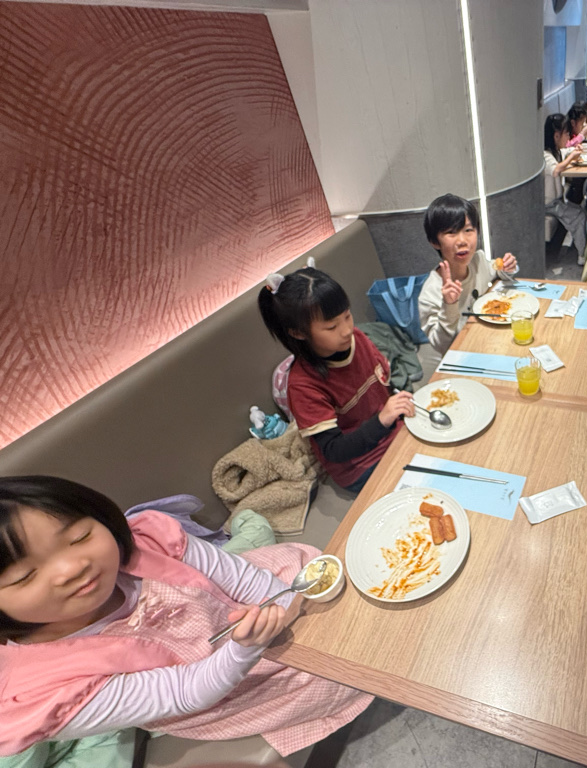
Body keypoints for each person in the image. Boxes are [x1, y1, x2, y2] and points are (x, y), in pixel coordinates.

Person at [0, 476, 373, 756]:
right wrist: (246, 648)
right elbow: (185, 692)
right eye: (25, 576)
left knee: (315, 579)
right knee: (333, 673)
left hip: (229, 611)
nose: (72, 568)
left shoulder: (148, 540)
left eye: (79, 537)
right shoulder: (37, 689)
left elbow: (241, 578)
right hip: (216, 686)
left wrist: (285, 612)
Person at [259, 265, 414, 493]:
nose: (346, 330)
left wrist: (398, 407)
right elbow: (334, 450)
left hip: (394, 433)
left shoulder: (357, 339)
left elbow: (384, 385)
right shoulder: (303, 385)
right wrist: (382, 420)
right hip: (360, 465)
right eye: (332, 326)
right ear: (298, 333)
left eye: (347, 316)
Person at [417, 194, 517, 371]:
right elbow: (442, 345)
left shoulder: (478, 261)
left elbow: (496, 270)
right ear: (434, 241)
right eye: (451, 232)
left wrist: (507, 268)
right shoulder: (430, 292)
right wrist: (449, 305)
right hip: (461, 360)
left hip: (489, 342)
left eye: (468, 230)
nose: (462, 241)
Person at [543, 114, 587, 265]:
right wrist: (571, 157)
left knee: (581, 211)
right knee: (578, 216)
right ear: (556, 136)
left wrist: (574, 151)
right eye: (566, 134)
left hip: (557, 201)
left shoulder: (556, 151)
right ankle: (582, 255)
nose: (568, 137)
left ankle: (583, 249)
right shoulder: (545, 155)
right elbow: (556, 170)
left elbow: (566, 152)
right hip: (548, 205)